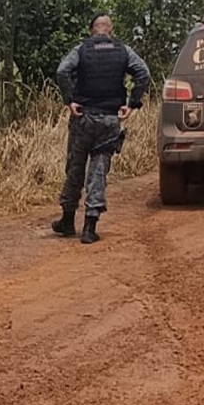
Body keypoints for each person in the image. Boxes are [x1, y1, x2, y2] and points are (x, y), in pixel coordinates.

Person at [53, 13, 151, 244]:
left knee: (75, 168)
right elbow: (143, 73)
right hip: (109, 119)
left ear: (91, 31)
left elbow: (62, 71)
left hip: (83, 118)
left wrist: (69, 101)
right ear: (111, 30)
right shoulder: (123, 50)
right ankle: (90, 226)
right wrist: (132, 104)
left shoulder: (81, 49)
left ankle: (67, 221)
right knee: (98, 171)